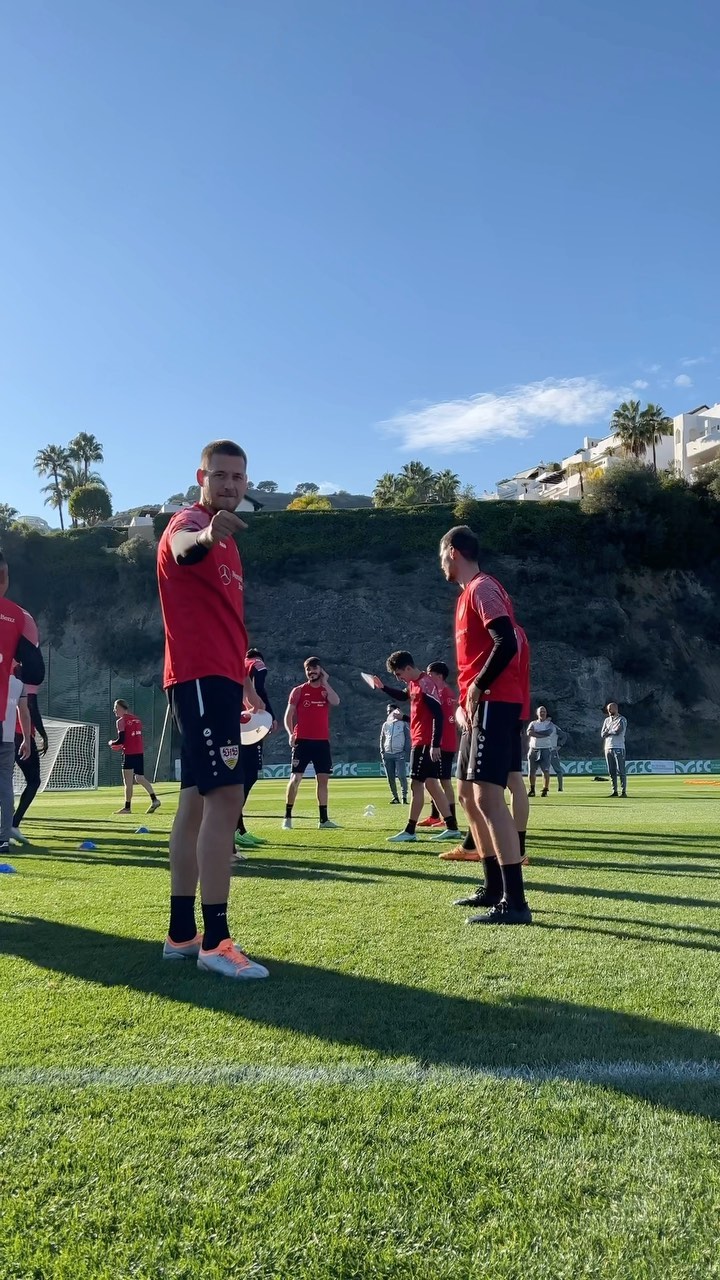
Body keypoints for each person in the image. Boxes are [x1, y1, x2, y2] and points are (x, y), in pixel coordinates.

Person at [157, 439, 268, 980]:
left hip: (219, 679)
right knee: (226, 798)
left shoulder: (232, 544)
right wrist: (205, 535)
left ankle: (182, 935)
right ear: (201, 477)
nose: (229, 484)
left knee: (194, 807)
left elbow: (226, 620)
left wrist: (245, 685)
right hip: (200, 678)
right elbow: (182, 548)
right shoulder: (192, 522)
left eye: (237, 478)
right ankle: (216, 942)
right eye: (220, 475)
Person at [439, 525, 531, 924]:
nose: (440, 564)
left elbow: (506, 640)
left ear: (453, 552)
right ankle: (493, 887)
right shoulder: (467, 596)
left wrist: (478, 686)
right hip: (479, 708)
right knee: (467, 796)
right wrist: (465, 701)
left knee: (489, 798)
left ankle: (515, 902)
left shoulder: (482, 588)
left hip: (495, 703)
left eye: (441, 555)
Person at [369, 652, 461, 844]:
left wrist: (435, 744)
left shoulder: (425, 684)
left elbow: (438, 715)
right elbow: (403, 696)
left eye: (399, 673)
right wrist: (383, 687)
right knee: (432, 784)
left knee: (416, 785)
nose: (398, 678)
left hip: (424, 742)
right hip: (421, 740)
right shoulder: (414, 684)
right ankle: (452, 827)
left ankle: (410, 830)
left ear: (408, 668)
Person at [283, 658, 340, 830]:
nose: (311, 672)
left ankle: (323, 820)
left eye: (314, 668)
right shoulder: (299, 691)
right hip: (302, 741)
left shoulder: (325, 691)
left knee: (323, 780)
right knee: (296, 778)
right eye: (308, 669)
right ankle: (287, 817)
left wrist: (326, 682)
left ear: (320, 670)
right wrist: (291, 734)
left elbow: (336, 701)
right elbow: (288, 715)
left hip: (322, 742)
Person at [235, 648, 277, 851]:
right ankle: (233, 826)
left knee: (243, 776)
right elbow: (259, 688)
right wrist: (270, 715)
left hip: (238, 723)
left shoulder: (237, 666)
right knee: (248, 775)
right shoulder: (256, 664)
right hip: (250, 724)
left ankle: (240, 828)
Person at [418, 661, 458, 827]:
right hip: (438, 743)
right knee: (432, 780)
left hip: (444, 744)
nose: (428, 676)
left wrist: (438, 743)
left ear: (439, 676)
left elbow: (446, 721)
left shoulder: (445, 694)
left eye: (430, 673)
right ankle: (435, 816)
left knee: (445, 781)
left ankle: (451, 818)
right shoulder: (439, 692)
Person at [109, 699, 160, 815]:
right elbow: (131, 738)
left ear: (121, 708)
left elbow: (121, 739)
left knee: (128, 782)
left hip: (129, 753)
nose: (114, 710)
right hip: (139, 752)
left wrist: (112, 743)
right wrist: (121, 744)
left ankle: (127, 808)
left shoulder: (121, 721)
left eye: (115, 708)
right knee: (139, 778)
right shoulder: (137, 719)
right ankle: (154, 800)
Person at [0, 673, 31, 856]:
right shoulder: (18, 684)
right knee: (6, 787)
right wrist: (26, 739)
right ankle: (3, 838)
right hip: (8, 739)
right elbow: (24, 712)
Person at [379, 704, 410, 804]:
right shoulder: (386, 724)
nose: (389, 713)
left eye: (391, 710)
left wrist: (405, 751)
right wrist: (382, 752)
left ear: (397, 711)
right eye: (388, 711)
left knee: (401, 776)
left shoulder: (403, 724)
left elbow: (408, 738)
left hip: (399, 753)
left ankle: (404, 797)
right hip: (387, 754)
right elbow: (382, 738)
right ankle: (395, 797)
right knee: (390, 778)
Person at [527, 706, 556, 797]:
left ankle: (545, 790)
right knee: (532, 771)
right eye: (540, 711)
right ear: (537, 713)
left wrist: (536, 733)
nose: (542, 713)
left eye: (544, 711)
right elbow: (529, 732)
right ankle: (532, 789)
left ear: (546, 713)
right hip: (534, 749)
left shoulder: (549, 724)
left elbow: (548, 732)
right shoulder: (533, 723)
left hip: (545, 749)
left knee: (545, 770)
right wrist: (540, 734)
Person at [602, 701, 628, 797]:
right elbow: (602, 734)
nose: (609, 711)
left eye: (610, 709)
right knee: (611, 770)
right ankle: (614, 791)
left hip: (618, 746)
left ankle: (623, 791)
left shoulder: (622, 719)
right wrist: (611, 731)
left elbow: (618, 731)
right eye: (608, 709)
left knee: (621, 770)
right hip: (608, 747)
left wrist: (608, 731)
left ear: (616, 709)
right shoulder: (607, 720)